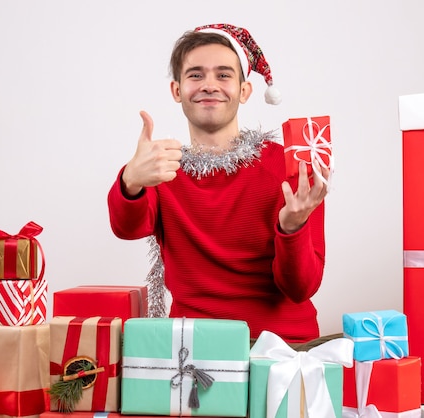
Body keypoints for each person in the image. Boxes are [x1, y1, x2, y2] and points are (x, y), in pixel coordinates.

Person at [107, 23, 329, 344]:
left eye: (223, 75)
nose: (209, 85)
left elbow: (301, 288)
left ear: (244, 90)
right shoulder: (161, 168)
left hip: (283, 346)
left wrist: (292, 228)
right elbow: (127, 228)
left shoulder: (289, 165)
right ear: (177, 90)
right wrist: (130, 181)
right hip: (193, 348)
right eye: (195, 75)